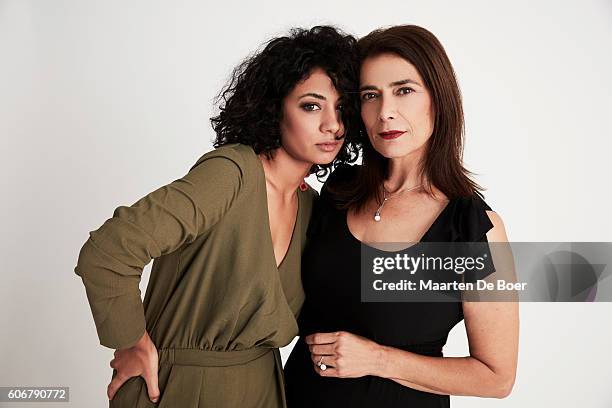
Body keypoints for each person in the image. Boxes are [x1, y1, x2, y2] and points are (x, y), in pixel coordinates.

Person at [74, 25, 360, 407]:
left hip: (262, 389)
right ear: (274, 108)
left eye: (342, 108)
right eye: (311, 106)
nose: (333, 125)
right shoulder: (231, 174)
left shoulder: (312, 207)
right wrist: (131, 342)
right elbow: (109, 251)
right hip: (179, 389)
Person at [284, 25, 519, 407]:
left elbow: (497, 377)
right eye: (370, 96)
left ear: (438, 99)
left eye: (404, 90)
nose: (385, 112)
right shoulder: (337, 191)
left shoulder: (475, 229)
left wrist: (378, 359)